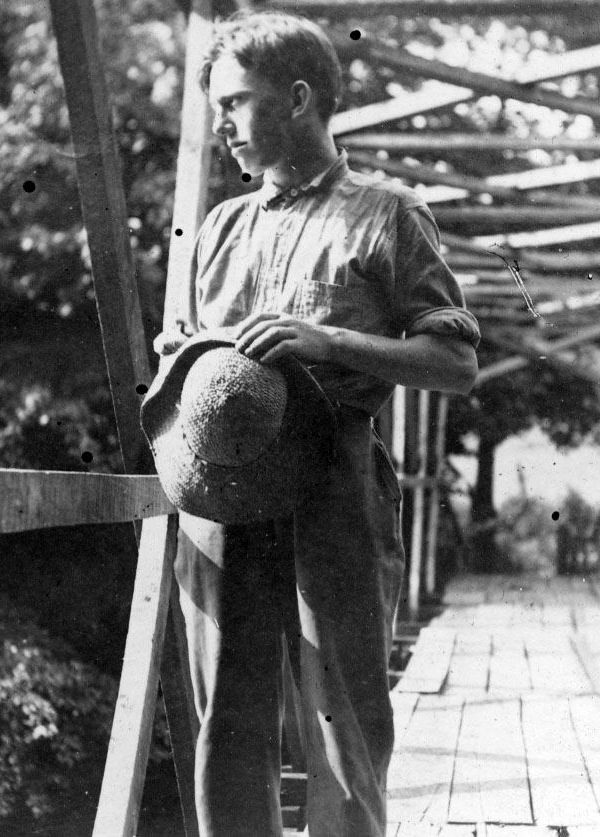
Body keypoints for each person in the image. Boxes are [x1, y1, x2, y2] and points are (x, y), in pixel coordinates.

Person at [152, 10, 480, 836]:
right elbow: (191, 361)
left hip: (335, 488)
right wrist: (184, 358)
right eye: (217, 108)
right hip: (222, 495)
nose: (222, 123)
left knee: (344, 724)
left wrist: (327, 338)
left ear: (298, 99)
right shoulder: (220, 229)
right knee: (227, 718)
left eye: (237, 102)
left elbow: (454, 362)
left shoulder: (385, 215)